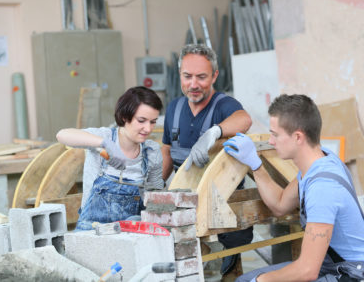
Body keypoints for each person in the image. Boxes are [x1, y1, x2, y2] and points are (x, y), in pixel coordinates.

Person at [223, 94, 364, 281]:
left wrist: (261, 280)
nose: (271, 142)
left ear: (298, 137)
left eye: (275, 134)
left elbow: (307, 270)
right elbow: (280, 204)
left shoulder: (323, 188)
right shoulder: (318, 162)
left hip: (350, 273)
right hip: (328, 264)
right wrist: (256, 165)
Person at [162, 43, 253, 277]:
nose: (193, 84)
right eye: (187, 76)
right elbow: (166, 151)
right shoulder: (175, 108)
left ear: (214, 75)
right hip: (183, 199)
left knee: (222, 266)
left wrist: (215, 131)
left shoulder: (224, 106)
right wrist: (156, 186)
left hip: (221, 203)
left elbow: (244, 119)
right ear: (179, 75)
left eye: (201, 77)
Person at [57, 86, 164, 231]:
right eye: (141, 121)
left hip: (130, 235)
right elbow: (63, 135)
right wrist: (104, 143)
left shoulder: (151, 151)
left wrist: (143, 219)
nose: (148, 129)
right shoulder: (104, 136)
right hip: (91, 232)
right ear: (125, 117)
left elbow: (155, 197)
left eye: (153, 122)